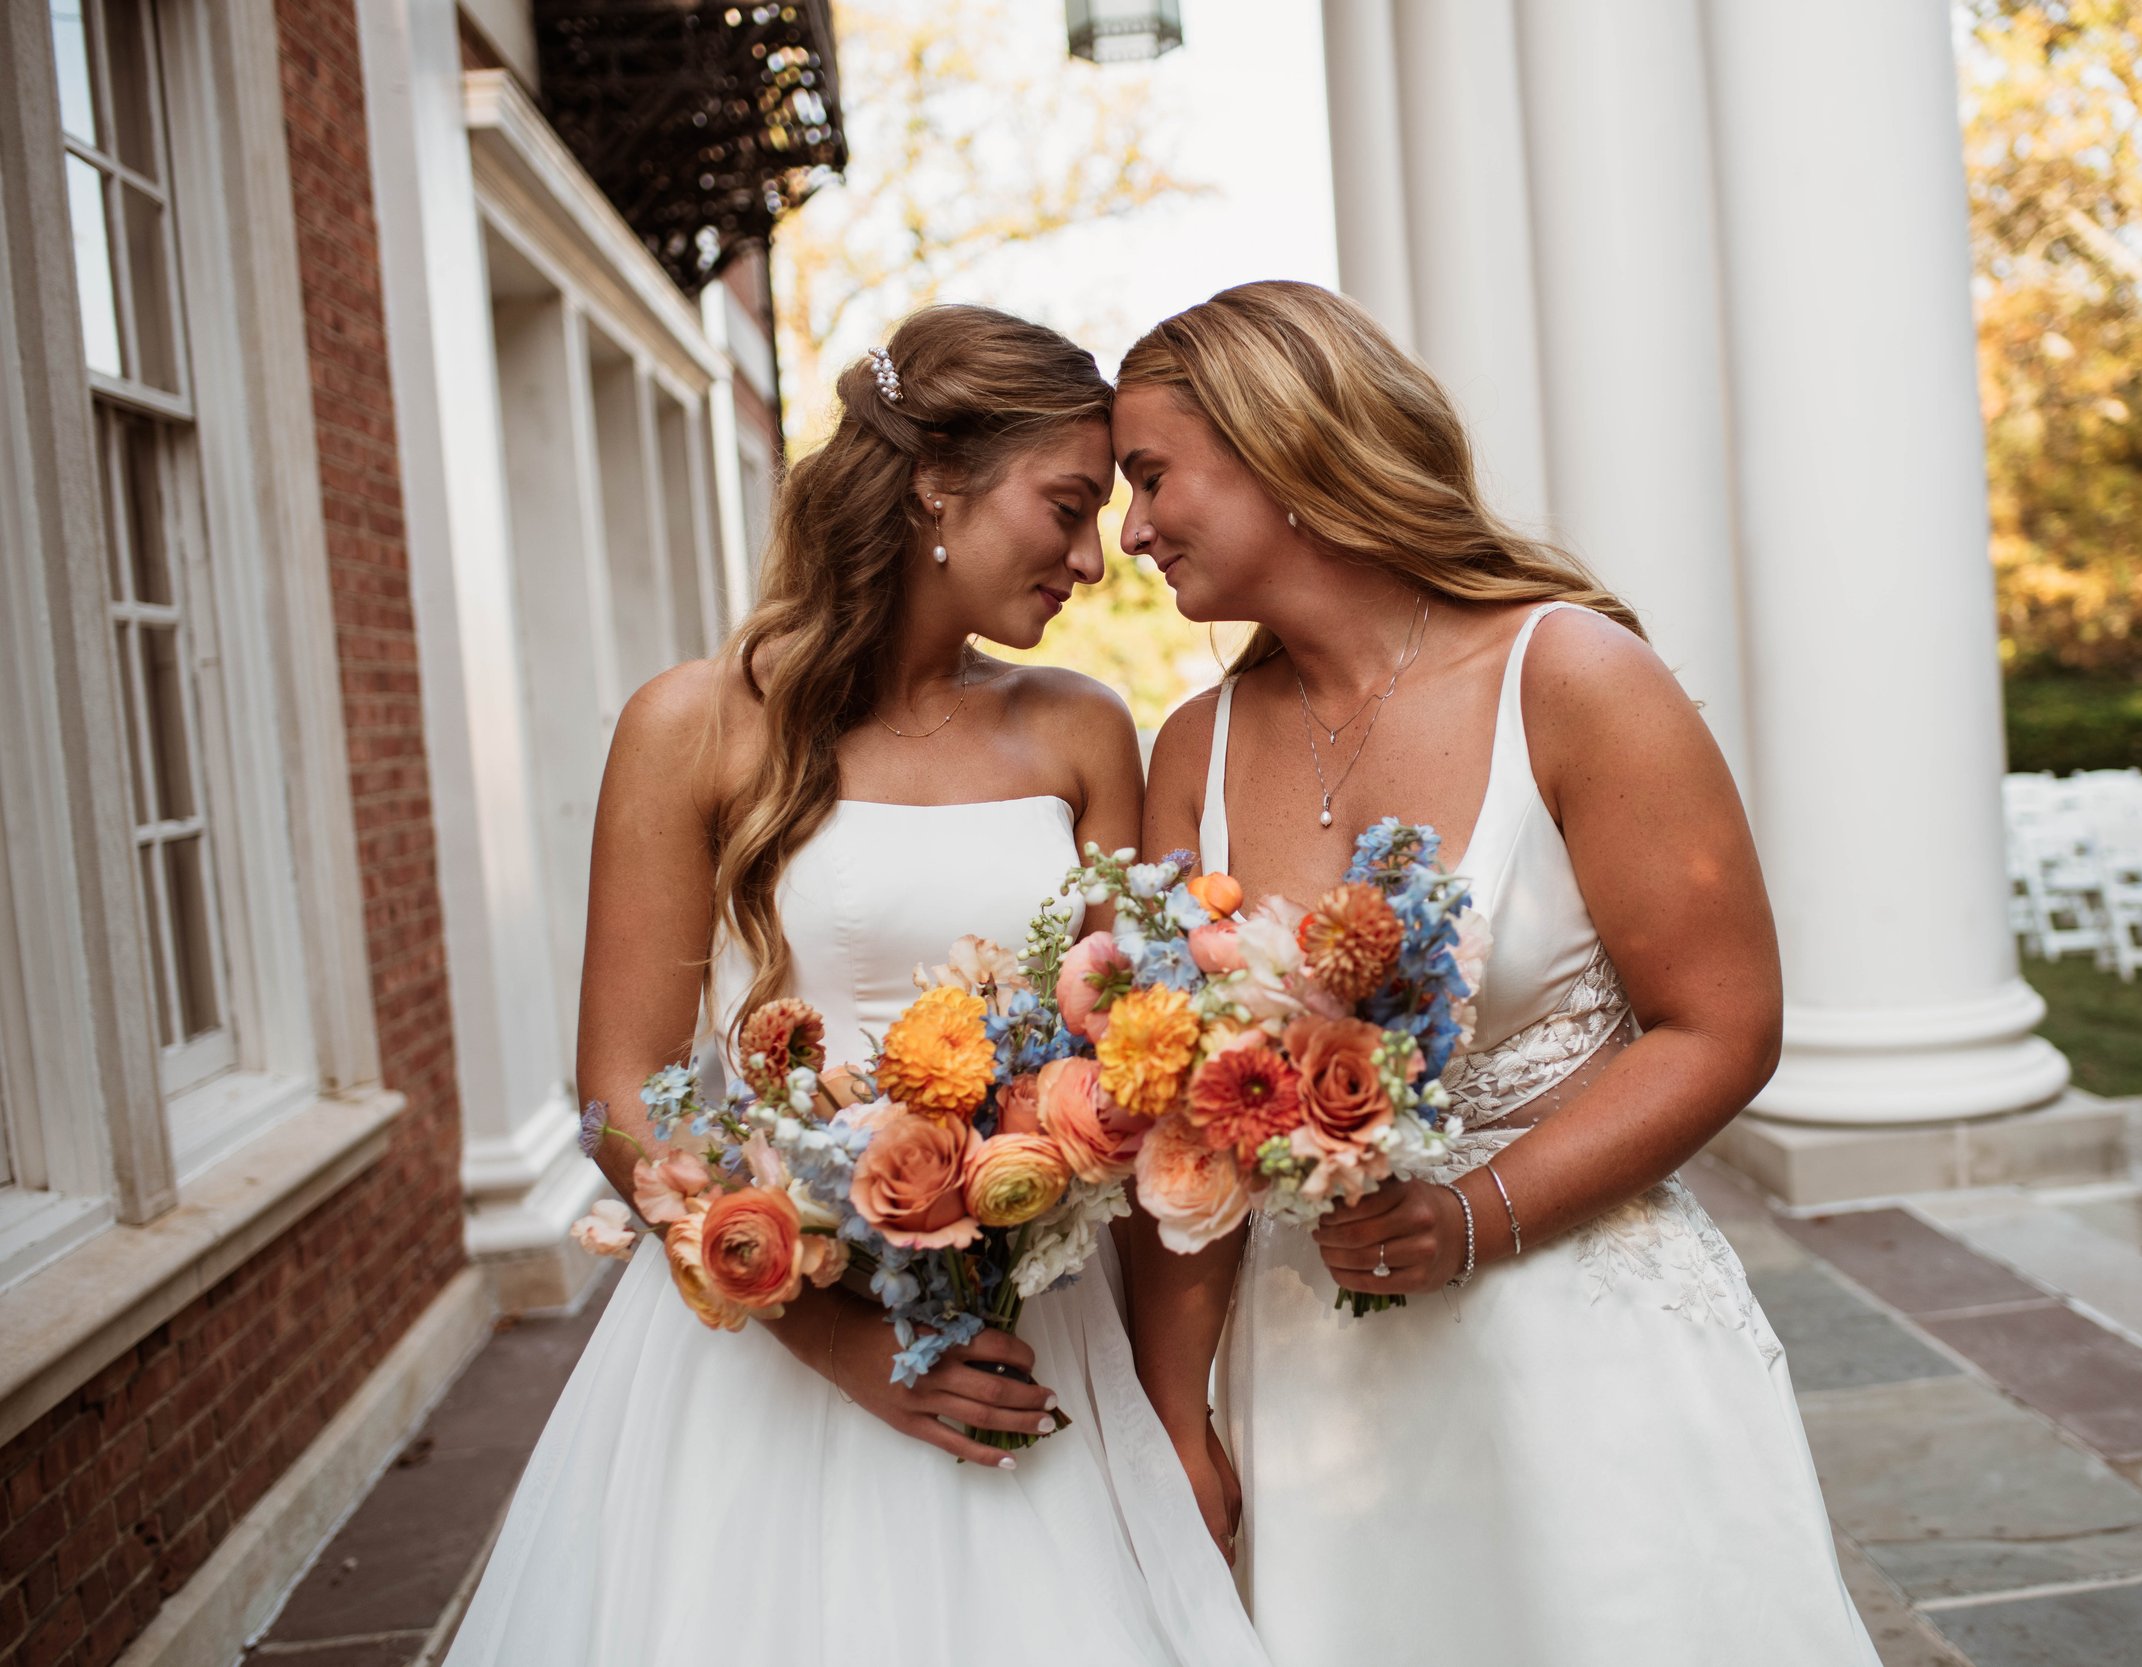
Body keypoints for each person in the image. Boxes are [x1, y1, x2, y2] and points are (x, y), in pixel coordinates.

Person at [445, 306, 1266, 1667]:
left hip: (1044, 1326)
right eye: (1067, 508)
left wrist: (1177, 1417)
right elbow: (617, 1092)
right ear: (936, 480)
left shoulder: (1079, 729)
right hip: (779, 1342)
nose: (1092, 559)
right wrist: (842, 1344)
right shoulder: (692, 725)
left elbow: (1130, 1062)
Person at [1113, 280, 1880, 1665]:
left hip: (1581, 1359)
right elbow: (1184, 1132)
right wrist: (1177, 1419)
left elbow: (1724, 1025)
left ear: (1279, 445)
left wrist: (1476, 1216)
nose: (1131, 531)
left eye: (1152, 476)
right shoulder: (1192, 751)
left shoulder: (1572, 676)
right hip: (1312, 1388)